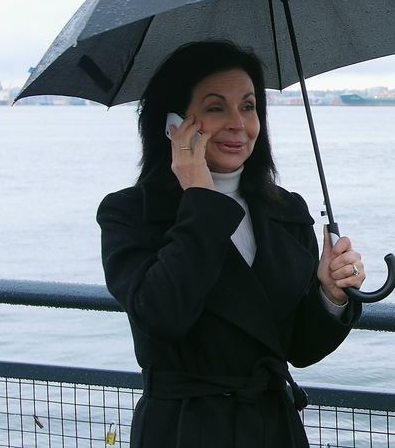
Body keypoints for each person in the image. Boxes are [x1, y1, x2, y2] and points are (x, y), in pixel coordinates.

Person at [97, 40, 365, 447]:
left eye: (249, 106)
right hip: (183, 431)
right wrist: (201, 200)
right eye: (216, 107)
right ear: (173, 123)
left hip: (274, 429)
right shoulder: (131, 213)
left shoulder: (286, 210)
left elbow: (299, 348)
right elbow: (163, 313)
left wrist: (330, 294)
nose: (239, 123)